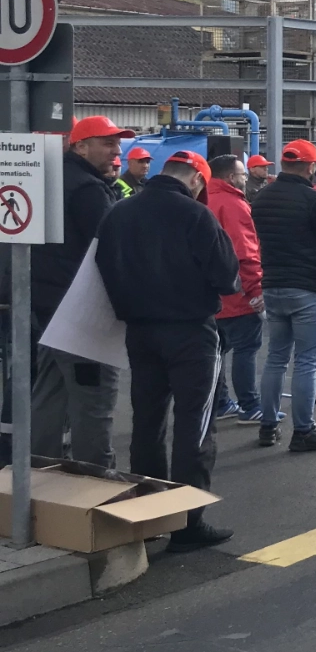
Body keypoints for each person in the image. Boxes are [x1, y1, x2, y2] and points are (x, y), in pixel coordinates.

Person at [97, 150, 239, 551]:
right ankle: (188, 524)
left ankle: (151, 512)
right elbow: (226, 276)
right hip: (191, 331)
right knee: (195, 425)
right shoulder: (196, 216)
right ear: (196, 180)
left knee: (148, 422)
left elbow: (103, 268)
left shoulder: (119, 213)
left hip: (139, 332)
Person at [29, 116, 130, 467]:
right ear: (80, 146)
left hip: (49, 304)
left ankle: (37, 474)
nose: (116, 151)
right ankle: (95, 477)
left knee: (50, 394)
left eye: (117, 144)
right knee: (93, 398)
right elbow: (110, 248)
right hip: (83, 309)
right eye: (107, 143)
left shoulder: (51, 179)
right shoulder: (87, 189)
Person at [250, 140, 316, 452]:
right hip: (308, 287)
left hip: (273, 284)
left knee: (275, 358)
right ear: (310, 166)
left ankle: (267, 425)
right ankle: (303, 430)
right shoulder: (314, 200)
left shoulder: (262, 197)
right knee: (306, 361)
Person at [206, 155, 265, 423]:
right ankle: (249, 405)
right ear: (231, 177)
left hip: (209, 293)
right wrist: (255, 291)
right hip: (236, 292)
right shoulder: (234, 204)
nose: (244, 179)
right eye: (242, 175)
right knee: (246, 348)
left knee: (216, 350)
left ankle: (220, 403)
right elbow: (245, 252)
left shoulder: (202, 197)